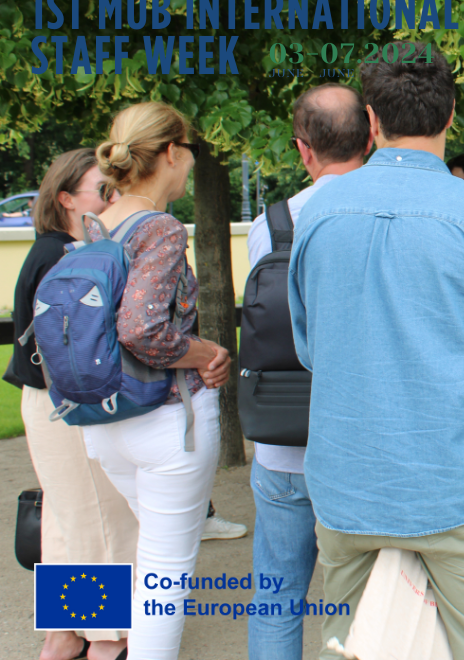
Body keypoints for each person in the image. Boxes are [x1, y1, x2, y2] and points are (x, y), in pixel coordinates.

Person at [288, 42, 464, 660]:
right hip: (460, 481)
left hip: (350, 483)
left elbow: (311, 348)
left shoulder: (317, 216)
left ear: (372, 120)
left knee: (353, 646)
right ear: (451, 114)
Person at [86, 101, 233, 660]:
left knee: (140, 551)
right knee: (165, 576)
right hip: (164, 418)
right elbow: (141, 328)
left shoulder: (97, 225)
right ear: (172, 152)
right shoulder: (160, 227)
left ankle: (75, 641)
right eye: (190, 151)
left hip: (104, 418)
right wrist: (205, 352)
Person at [245, 83, 372, 660]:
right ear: (370, 137)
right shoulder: (386, 214)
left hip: (285, 440)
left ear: (303, 149)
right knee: (367, 607)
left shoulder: (271, 225)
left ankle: (84, 636)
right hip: (362, 443)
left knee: (276, 599)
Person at [9, 149, 137, 660]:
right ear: (65, 199)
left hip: (47, 400)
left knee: (67, 521)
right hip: (66, 403)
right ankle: (106, 639)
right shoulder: (64, 255)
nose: (112, 198)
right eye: (102, 190)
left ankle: (62, 636)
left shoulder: (56, 249)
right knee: (100, 520)